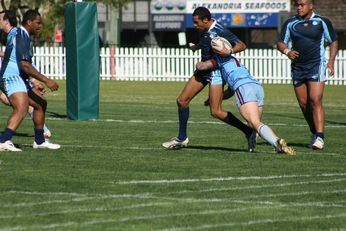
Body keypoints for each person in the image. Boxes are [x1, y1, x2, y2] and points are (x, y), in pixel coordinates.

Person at [162, 7, 256, 152]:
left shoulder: (219, 30)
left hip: (216, 73)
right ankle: (181, 138)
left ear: (206, 20)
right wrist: (197, 47)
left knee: (216, 111)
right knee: (181, 101)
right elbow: (209, 43)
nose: (195, 25)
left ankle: (248, 131)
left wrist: (229, 51)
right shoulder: (203, 30)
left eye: (196, 22)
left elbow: (242, 45)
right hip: (202, 71)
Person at [196, 47, 296, 155]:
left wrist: (199, 62)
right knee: (254, 124)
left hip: (244, 88)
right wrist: (214, 99)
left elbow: (202, 67)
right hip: (257, 87)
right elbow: (230, 92)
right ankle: (272, 144)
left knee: (254, 122)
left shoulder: (217, 59)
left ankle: (277, 142)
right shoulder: (234, 61)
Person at [277, 0, 338, 150]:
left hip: (316, 65)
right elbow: (280, 42)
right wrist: (287, 51)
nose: (299, 7)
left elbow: (334, 41)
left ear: (311, 6)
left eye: (302, 5)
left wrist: (330, 62)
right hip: (298, 67)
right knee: (304, 104)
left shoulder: (322, 21)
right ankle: (314, 132)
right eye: (297, 5)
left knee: (315, 99)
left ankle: (320, 137)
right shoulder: (290, 23)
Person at [0, 10, 60, 151]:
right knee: (22, 107)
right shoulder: (21, 34)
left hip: (20, 77)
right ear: (29, 22)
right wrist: (47, 80)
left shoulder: (22, 35)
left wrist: (33, 81)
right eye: (38, 23)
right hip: (11, 77)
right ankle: (3, 140)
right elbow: (24, 65)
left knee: (40, 103)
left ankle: (39, 141)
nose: (40, 26)